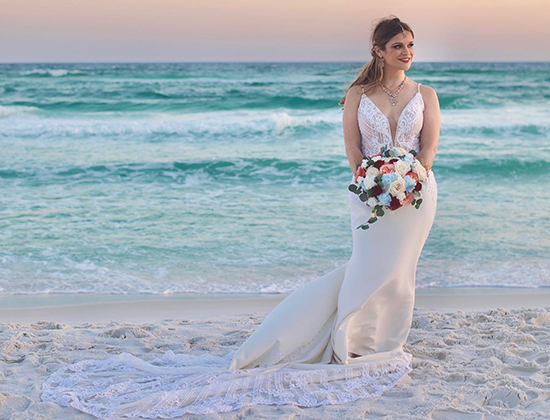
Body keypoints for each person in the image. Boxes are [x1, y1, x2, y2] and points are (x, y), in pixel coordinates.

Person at [41, 15, 440, 418]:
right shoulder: (358, 93)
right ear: (378, 51)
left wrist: (412, 180)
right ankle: (349, 340)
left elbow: (428, 149)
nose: (406, 53)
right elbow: (353, 150)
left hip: (417, 196)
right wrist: (371, 182)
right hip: (368, 192)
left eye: (410, 45)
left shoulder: (426, 94)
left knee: (399, 269)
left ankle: (384, 340)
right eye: (398, 46)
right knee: (368, 266)